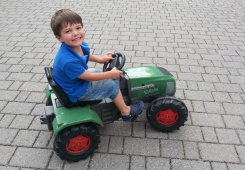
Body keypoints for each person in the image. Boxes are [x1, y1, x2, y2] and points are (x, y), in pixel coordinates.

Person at [50, 9, 144, 121]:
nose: (75, 33)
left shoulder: (76, 45)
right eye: (68, 31)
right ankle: (126, 112)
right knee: (111, 84)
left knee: (100, 72)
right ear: (59, 37)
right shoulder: (67, 61)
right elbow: (88, 77)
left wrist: (101, 59)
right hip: (78, 91)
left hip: (77, 82)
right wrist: (110, 74)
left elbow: (86, 55)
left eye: (78, 28)